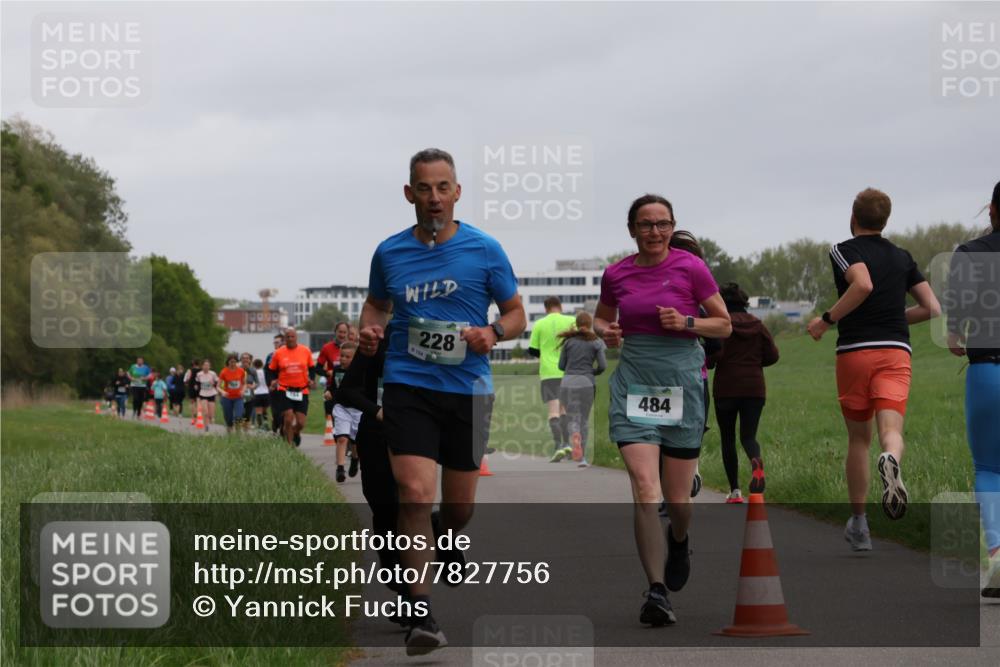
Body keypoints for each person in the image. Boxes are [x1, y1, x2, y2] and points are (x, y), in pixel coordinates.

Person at [359, 148, 526, 655]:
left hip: (468, 390)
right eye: (424, 189)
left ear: (457, 192)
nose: (434, 198)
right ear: (409, 194)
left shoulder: (485, 249)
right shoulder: (390, 252)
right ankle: (421, 613)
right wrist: (371, 330)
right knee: (412, 491)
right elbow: (376, 305)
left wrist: (493, 332)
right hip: (408, 385)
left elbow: (517, 313)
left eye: (442, 188)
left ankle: (441, 533)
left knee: (459, 507)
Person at [594, 193, 731, 626]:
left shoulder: (691, 268)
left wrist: (688, 322)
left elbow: (723, 323)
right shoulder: (616, 273)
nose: (654, 231)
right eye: (646, 224)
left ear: (672, 227)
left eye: (662, 223)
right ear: (631, 228)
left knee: (676, 499)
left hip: (683, 382)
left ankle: (680, 537)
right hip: (634, 382)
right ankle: (656, 591)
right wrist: (608, 332)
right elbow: (599, 319)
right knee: (643, 486)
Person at [807, 187, 941, 552]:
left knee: (858, 439)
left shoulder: (844, 249)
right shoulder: (902, 256)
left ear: (853, 217)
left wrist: (826, 319)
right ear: (885, 220)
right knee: (891, 431)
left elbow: (862, 283)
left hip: (855, 352)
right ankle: (892, 460)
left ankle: (860, 527)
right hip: (896, 351)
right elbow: (932, 308)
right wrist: (893, 317)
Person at [945, 180, 1000, 596]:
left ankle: (998, 554)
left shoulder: (971, 254)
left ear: (992, 211)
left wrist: (953, 332)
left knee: (989, 467)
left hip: (988, 369)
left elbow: (958, 301)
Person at [706, 282, 779, 503]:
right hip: (754, 389)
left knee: (728, 439)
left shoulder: (722, 325)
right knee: (748, 436)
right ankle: (756, 462)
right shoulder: (758, 325)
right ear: (744, 302)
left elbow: (713, 359)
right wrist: (754, 362)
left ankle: (735, 492)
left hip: (726, 389)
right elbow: (773, 355)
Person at [555, 311, 607, 466]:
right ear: (590, 324)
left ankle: (574, 436)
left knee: (572, 418)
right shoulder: (596, 342)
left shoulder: (568, 343)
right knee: (584, 419)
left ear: (577, 324)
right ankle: (583, 458)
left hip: (568, 383)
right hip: (587, 384)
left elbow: (561, 366)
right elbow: (603, 366)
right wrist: (592, 372)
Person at [529, 296, 576, 458]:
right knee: (565, 410)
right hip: (568, 372)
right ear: (560, 306)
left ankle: (557, 446)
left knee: (553, 412)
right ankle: (567, 444)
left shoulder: (540, 324)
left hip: (549, 373)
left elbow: (533, 350)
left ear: (546, 308)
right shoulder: (572, 321)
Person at [268, 327, 316, 447]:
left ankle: (293, 432)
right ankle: (289, 447)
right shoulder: (278, 353)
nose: (290, 339)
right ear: (284, 338)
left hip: (302, 389)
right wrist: (273, 380)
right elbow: (271, 370)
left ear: (296, 337)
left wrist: (312, 380)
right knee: (288, 418)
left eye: (292, 336)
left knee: (300, 423)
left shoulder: (305, 351)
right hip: (285, 389)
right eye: (287, 337)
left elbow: (312, 368)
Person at [330, 342, 362, 482]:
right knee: (342, 438)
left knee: (355, 441)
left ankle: (355, 459)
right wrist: (328, 392)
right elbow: (332, 387)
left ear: (355, 358)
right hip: (341, 407)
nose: (343, 359)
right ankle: (340, 468)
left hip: (357, 410)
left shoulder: (361, 372)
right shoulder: (337, 370)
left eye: (347, 357)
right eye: (342, 356)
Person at [318, 322, 349, 422]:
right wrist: (327, 373)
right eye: (340, 332)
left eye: (345, 332)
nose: (342, 335)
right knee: (331, 418)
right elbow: (317, 368)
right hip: (332, 388)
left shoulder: (352, 348)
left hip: (349, 388)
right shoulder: (327, 348)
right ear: (335, 332)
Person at [218, 353, 247, 434]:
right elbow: (218, 386)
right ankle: (230, 435)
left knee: (238, 415)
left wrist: (243, 390)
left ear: (237, 362)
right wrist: (222, 392)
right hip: (227, 398)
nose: (233, 364)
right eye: (231, 362)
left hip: (238, 398)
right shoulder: (224, 372)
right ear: (228, 362)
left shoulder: (241, 371)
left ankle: (238, 434)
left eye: (234, 362)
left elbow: (244, 384)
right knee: (228, 418)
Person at [264, 333, 285, 434]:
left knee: (286, 411)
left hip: (287, 387)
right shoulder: (270, 356)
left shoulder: (290, 353)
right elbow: (267, 371)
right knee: (276, 412)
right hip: (275, 388)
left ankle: (284, 430)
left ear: (283, 342)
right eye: (274, 342)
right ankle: (275, 425)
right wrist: (270, 383)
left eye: (277, 342)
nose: (275, 344)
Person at [196, 359, 220, 432]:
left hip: (211, 394)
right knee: (205, 412)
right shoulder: (199, 374)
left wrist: (215, 385)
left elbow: (219, 382)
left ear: (210, 367)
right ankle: (206, 427)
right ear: (202, 366)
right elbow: (197, 382)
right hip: (203, 394)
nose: (206, 367)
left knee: (210, 414)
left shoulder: (213, 374)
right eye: (204, 365)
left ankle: (211, 418)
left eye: (207, 365)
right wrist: (196, 387)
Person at [251, 358, 271, 429]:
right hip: (266, 392)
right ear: (262, 364)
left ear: (254, 365)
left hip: (257, 393)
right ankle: (266, 425)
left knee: (258, 411)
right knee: (265, 410)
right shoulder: (265, 372)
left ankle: (260, 426)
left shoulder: (253, 372)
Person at [239, 353, 257, 431]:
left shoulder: (253, 370)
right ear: (241, 360)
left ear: (250, 360)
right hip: (239, 394)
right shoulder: (237, 369)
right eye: (243, 358)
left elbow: (257, 382)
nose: (245, 359)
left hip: (250, 395)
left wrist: (253, 386)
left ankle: (246, 431)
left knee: (247, 414)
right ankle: (238, 429)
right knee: (240, 412)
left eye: (247, 358)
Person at [184, 359, 201, 424]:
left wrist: (187, 384)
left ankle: (193, 418)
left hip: (191, 387)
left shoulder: (189, 371)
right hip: (199, 387)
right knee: (199, 402)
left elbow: (185, 380)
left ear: (192, 365)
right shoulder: (201, 371)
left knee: (192, 403)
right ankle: (198, 416)